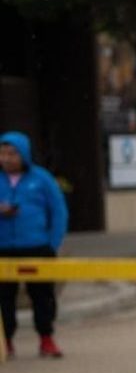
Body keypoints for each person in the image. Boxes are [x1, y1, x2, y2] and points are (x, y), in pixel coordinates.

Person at [0, 131, 69, 360]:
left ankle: (46, 339)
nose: (7, 158)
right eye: (3, 153)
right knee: (4, 298)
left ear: (24, 154)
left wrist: (52, 244)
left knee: (42, 295)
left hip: (36, 246)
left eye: (12, 153)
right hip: (3, 248)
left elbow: (58, 212)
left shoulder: (41, 179)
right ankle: (6, 341)